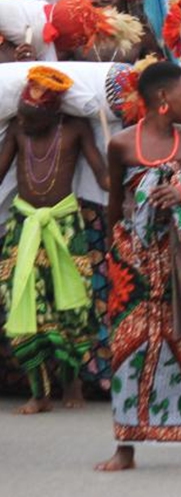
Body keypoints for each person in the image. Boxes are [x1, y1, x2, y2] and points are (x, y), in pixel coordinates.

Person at [96, 61, 181, 471]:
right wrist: (114, 256)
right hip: (134, 259)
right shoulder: (122, 145)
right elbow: (115, 207)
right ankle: (125, 444)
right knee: (129, 346)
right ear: (163, 98)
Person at [0, 67, 107, 415]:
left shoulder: (76, 128)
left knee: (72, 307)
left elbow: (103, 175)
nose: (25, 123)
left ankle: (72, 382)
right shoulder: (17, 129)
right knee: (22, 305)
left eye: (32, 119)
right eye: (22, 116)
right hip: (23, 226)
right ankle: (38, 392)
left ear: (53, 114)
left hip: (65, 226)